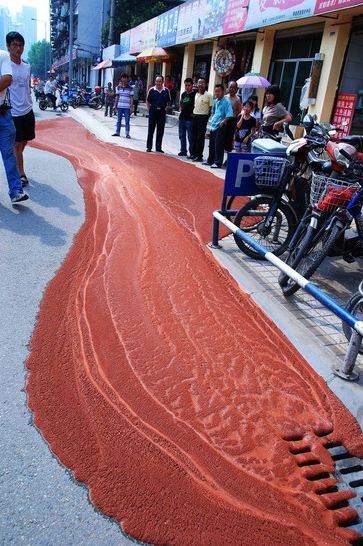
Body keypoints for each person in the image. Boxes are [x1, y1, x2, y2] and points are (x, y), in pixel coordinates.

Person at [6, 31, 35, 187]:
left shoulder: (26, 66)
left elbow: (27, 87)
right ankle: (21, 174)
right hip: (13, 111)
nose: (18, 48)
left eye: (21, 45)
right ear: (8, 46)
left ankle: (16, 161)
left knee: (24, 142)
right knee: (17, 145)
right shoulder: (5, 66)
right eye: (15, 45)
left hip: (27, 110)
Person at [0, 48, 28, 203]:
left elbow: (6, 79)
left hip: (3, 114)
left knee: (9, 154)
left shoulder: (2, 56)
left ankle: (16, 191)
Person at [202, 83, 233, 168]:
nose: (217, 93)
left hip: (221, 126)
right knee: (211, 144)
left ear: (223, 92)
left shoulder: (226, 101)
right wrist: (211, 118)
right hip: (213, 125)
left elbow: (229, 114)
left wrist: (223, 122)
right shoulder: (215, 101)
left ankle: (218, 162)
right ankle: (210, 160)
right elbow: (213, 111)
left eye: (219, 91)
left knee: (218, 144)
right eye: (216, 91)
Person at [146, 75, 171, 153]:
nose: (158, 83)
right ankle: (149, 147)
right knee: (151, 129)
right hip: (153, 110)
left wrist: (165, 108)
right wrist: (149, 109)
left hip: (162, 111)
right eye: (157, 81)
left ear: (162, 82)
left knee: (160, 130)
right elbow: (147, 100)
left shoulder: (166, 90)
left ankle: (158, 147)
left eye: (160, 81)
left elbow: (168, 101)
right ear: (155, 82)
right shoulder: (151, 90)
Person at [191, 77, 213, 162]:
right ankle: (194, 154)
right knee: (194, 136)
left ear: (206, 84)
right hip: (195, 116)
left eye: (202, 83)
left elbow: (211, 108)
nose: (200, 84)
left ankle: (199, 155)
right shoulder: (196, 94)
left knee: (200, 137)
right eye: (199, 83)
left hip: (203, 117)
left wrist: (207, 118)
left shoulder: (208, 95)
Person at [178, 77, 196, 157]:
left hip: (190, 119)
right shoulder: (183, 94)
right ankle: (183, 150)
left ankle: (192, 152)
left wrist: (193, 114)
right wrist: (180, 109)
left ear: (192, 85)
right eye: (186, 85)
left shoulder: (195, 94)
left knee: (190, 137)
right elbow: (181, 102)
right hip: (182, 118)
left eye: (189, 85)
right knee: (181, 135)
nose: (187, 87)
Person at [224, 81, 241, 161]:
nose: (231, 89)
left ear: (236, 89)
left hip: (231, 121)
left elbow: (238, 111)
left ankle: (228, 159)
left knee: (228, 140)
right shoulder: (225, 97)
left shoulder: (237, 99)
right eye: (230, 87)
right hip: (223, 120)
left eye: (233, 87)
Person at [112, 73, 133, 138]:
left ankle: (127, 133)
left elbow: (131, 98)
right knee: (118, 120)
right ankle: (117, 132)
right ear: (121, 79)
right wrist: (115, 105)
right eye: (123, 78)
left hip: (127, 107)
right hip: (120, 106)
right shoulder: (118, 87)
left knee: (127, 121)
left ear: (127, 79)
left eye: (125, 78)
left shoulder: (130, 88)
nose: (124, 79)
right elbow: (117, 97)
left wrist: (131, 107)